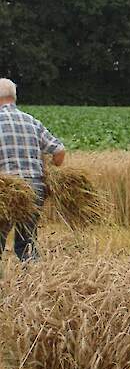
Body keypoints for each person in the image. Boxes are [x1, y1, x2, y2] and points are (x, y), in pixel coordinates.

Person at [0, 78, 66, 261]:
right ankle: (34, 283)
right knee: (27, 242)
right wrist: (50, 170)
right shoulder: (31, 121)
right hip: (33, 189)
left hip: (4, 189)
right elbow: (59, 151)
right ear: (14, 97)